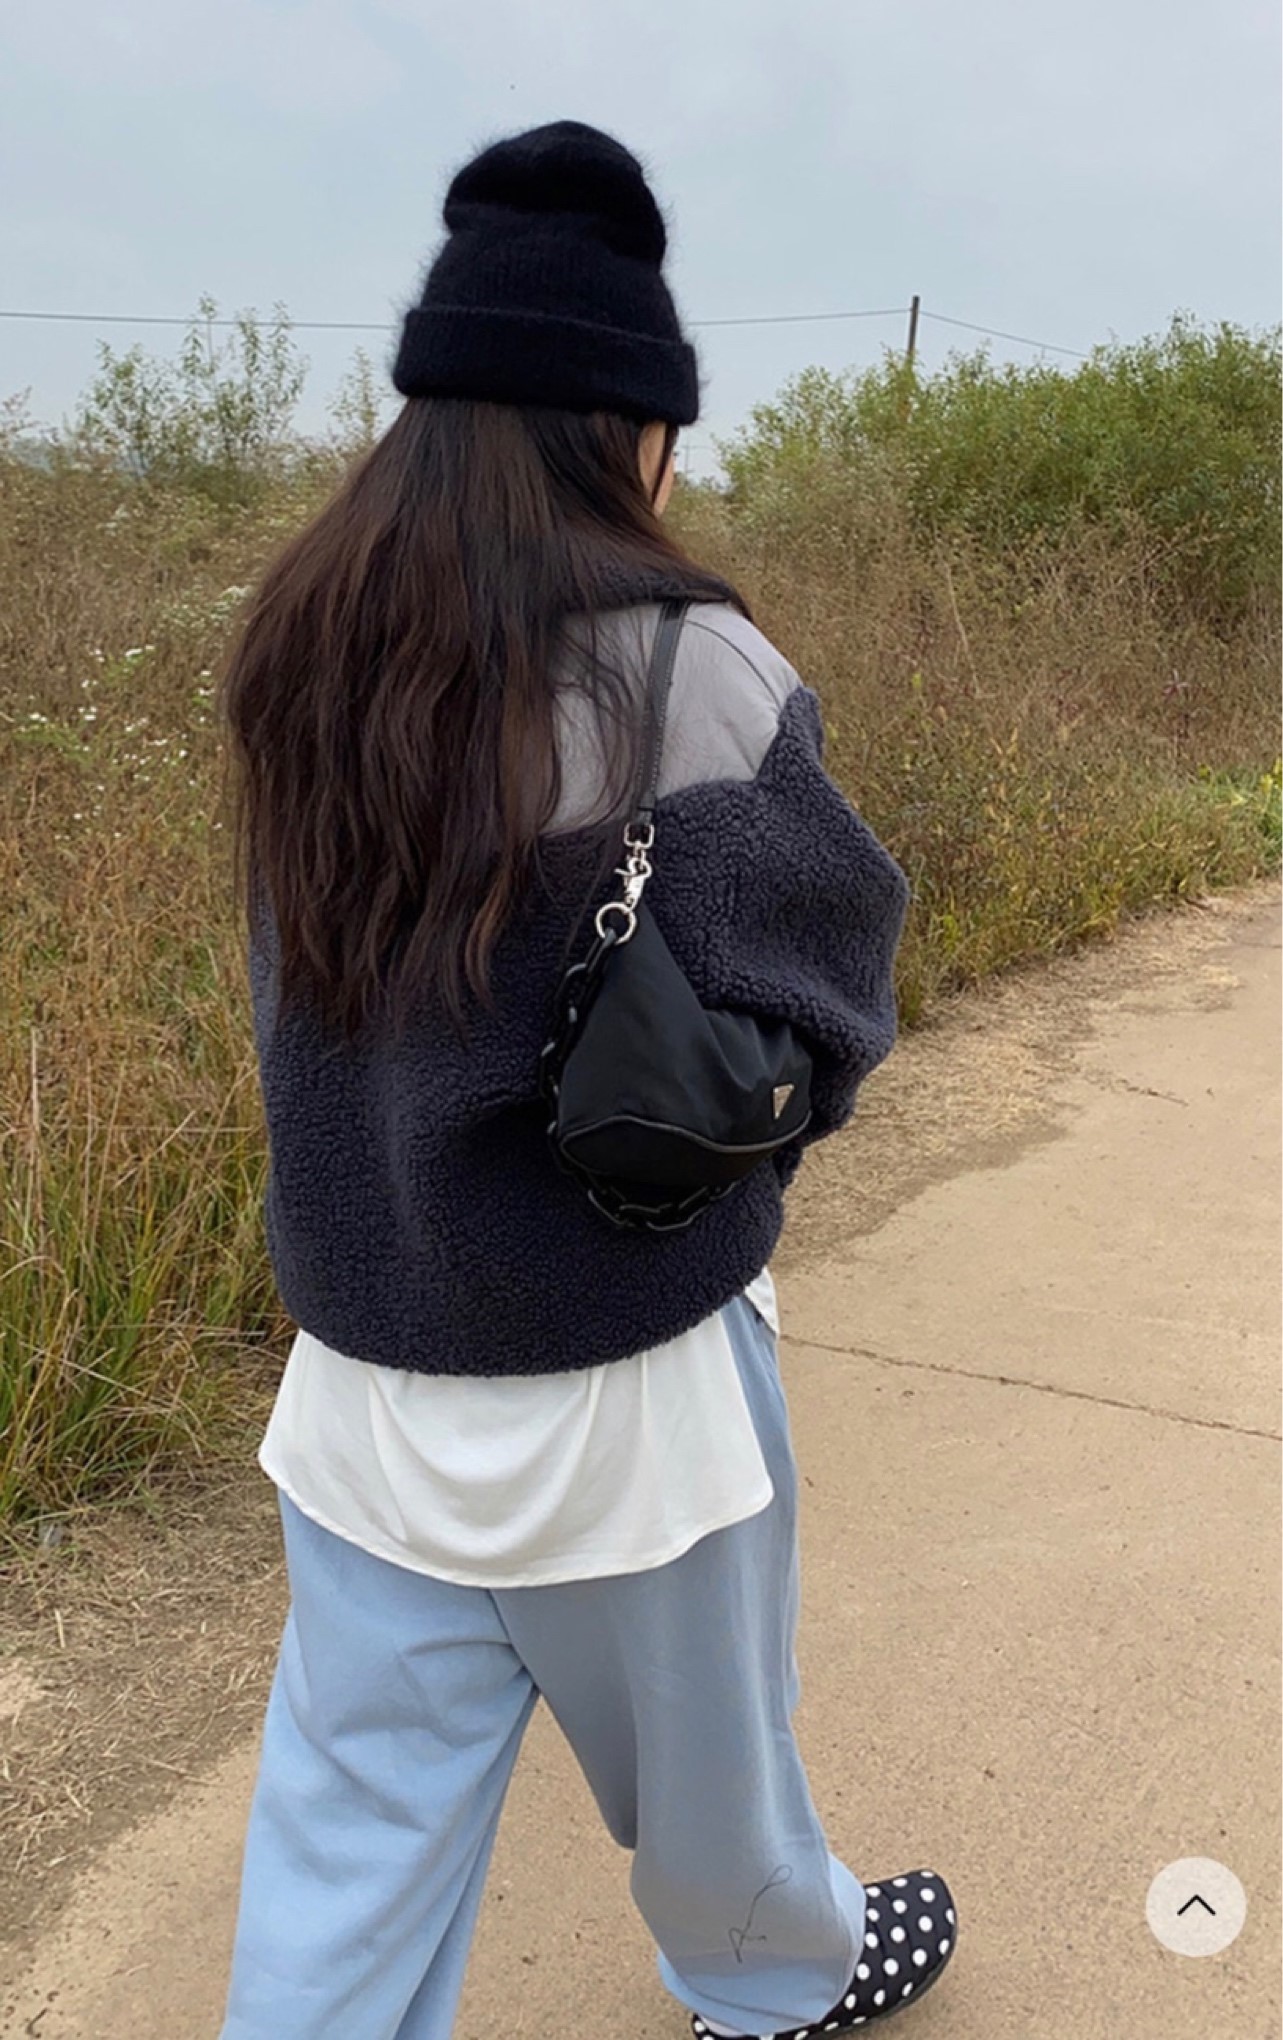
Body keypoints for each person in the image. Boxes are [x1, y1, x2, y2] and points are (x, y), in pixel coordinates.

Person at [215, 119, 957, 2040]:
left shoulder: (301, 649)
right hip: (628, 1401)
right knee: (719, 1804)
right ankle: (776, 1987)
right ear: (627, 432)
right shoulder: (693, 672)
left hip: (363, 1387)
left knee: (343, 1861)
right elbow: (834, 994)